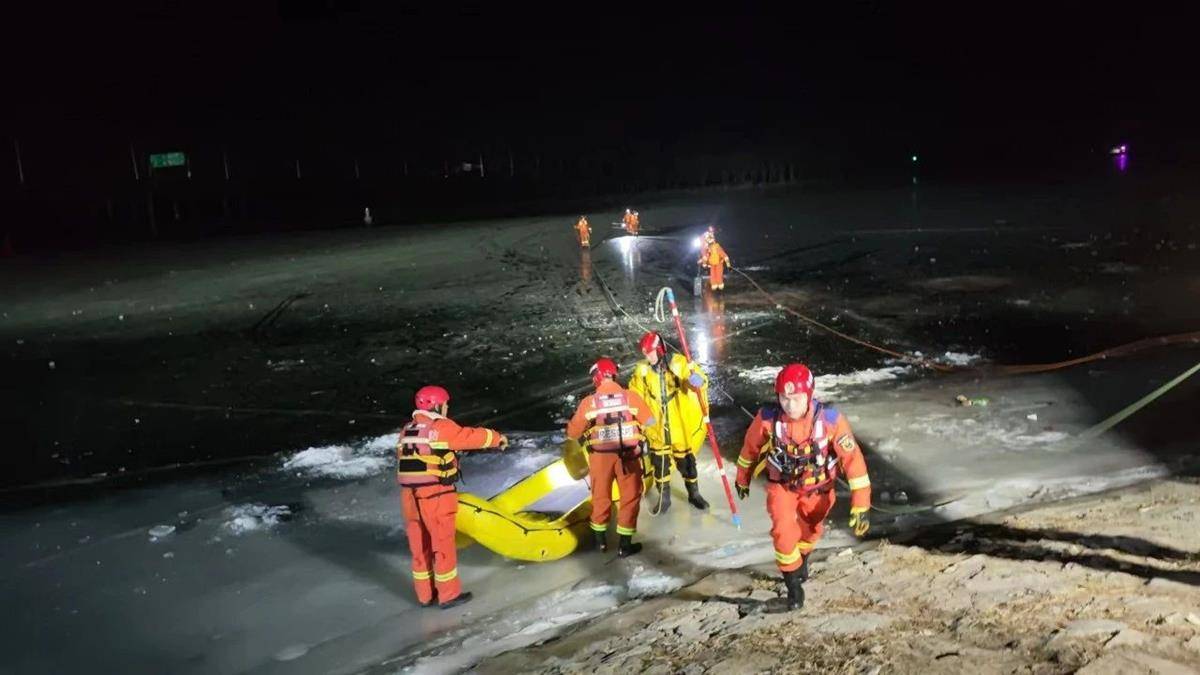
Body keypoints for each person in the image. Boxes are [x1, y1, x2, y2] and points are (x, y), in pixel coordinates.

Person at [734, 364, 871, 610]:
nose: (789, 405)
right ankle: (794, 590)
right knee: (783, 531)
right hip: (783, 487)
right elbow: (749, 449)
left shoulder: (830, 421)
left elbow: (854, 461)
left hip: (819, 490)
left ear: (808, 396)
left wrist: (861, 504)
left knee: (811, 530)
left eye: (795, 399)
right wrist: (742, 477)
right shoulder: (767, 419)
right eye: (784, 398)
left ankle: (802, 559)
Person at [397, 385, 508, 609]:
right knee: (442, 543)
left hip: (410, 496)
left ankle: (425, 595)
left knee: (420, 546)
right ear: (437, 405)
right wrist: (497, 438)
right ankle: (448, 595)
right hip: (435, 494)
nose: (447, 408)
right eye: (445, 404)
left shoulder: (407, 430)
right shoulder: (440, 427)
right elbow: (468, 437)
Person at [566, 357, 655, 557]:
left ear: (596, 378)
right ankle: (625, 545)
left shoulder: (589, 403)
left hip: (600, 458)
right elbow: (650, 421)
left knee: (600, 497)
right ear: (613, 374)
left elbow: (572, 433)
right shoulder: (630, 397)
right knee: (630, 498)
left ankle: (601, 543)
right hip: (629, 458)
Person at [628, 331, 710, 514]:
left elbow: (697, 380)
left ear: (659, 350)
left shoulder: (679, 363)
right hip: (657, 429)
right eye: (645, 353)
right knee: (660, 465)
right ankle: (664, 498)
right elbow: (634, 395)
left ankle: (694, 494)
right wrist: (642, 419)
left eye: (650, 352)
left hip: (679, 426)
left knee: (687, 463)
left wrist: (695, 381)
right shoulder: (642, 371)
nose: (647, 356)